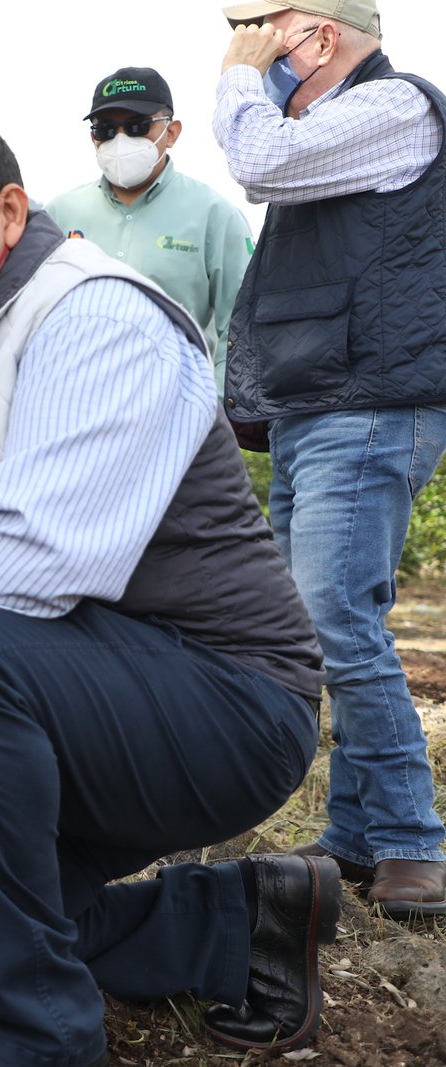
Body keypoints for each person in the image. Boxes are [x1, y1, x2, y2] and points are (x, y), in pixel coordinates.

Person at [0, 108, 334, 1065]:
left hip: (226, 700)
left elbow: (42, 560)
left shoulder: (97, 315)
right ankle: (236, 922)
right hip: (66, 700)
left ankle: (36, 1037)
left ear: (5, 211)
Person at [213, 0, 446, 917]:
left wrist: (238, 78)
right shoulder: (331, 126)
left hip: (371, 402)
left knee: (335, 617)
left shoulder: (395, 111)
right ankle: (357, 833)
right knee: (324, 625)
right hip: (322, 401)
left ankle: (410, 841)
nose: (248, 43)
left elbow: (259, 159)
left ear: (319, 33)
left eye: (262, 25)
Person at [46, 66, 255, 394]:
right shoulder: (58, 214)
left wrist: (211, 407)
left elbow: (240, 330)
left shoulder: (216, 216)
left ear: (171, 133)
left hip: (171, 408)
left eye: (136, 127)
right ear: (92, 138)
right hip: (71, 402)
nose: (120, 140)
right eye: (105, 130)